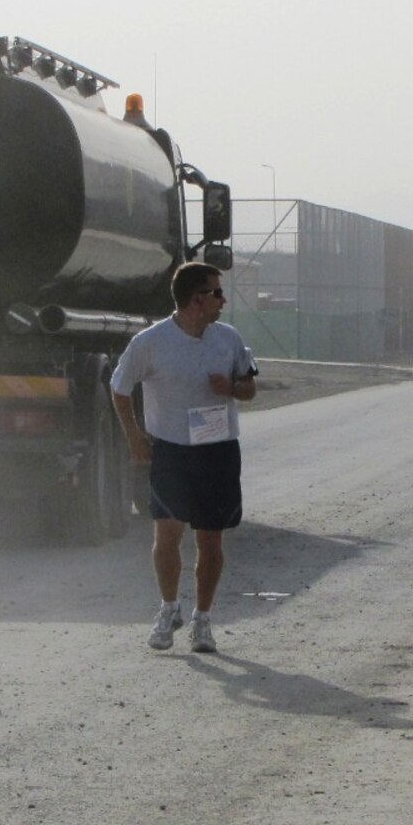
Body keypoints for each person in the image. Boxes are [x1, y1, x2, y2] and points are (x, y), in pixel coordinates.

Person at [110, 262, 258, 653]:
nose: (223, 300)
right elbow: (120, 388)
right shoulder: (151, 341)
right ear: (197, 299)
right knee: (167, 535)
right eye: (217, 293)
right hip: (172, 450)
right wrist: (134, 438)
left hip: (218, 450)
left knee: (210, 540)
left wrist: (233, 388)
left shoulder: (228, 338)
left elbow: (249, 387)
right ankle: (169, 608)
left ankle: (202, 620)